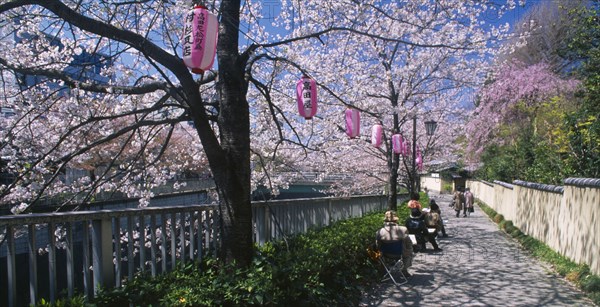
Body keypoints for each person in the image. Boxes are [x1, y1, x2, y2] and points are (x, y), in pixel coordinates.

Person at [376, 210, 415, 277]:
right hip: (400, 254)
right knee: (409, 252)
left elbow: (378, 245)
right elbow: (409, 243)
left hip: (386, 254)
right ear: (396, 220)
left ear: (385, 221)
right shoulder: (403, 229)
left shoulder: (380, 231)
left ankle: (383, 269)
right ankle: (404, 270)